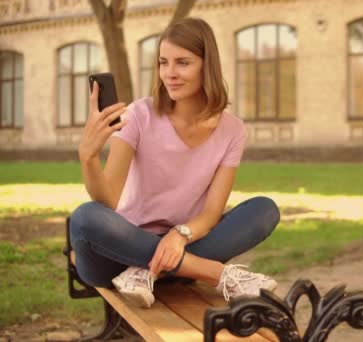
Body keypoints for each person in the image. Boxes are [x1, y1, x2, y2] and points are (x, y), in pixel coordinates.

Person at [69, 17, 279, 308]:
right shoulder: (139, 115)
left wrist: (179, 236)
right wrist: (88, 156)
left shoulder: (232, 130)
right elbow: (108, 201)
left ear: (208, 66)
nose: (170, 73)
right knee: (85, 218)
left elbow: (210, 214)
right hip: (119, 255)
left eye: (182, 62)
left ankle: (149, 270)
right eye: (163, 62)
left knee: (264, 210)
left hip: (186, 243)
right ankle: (213, 273)